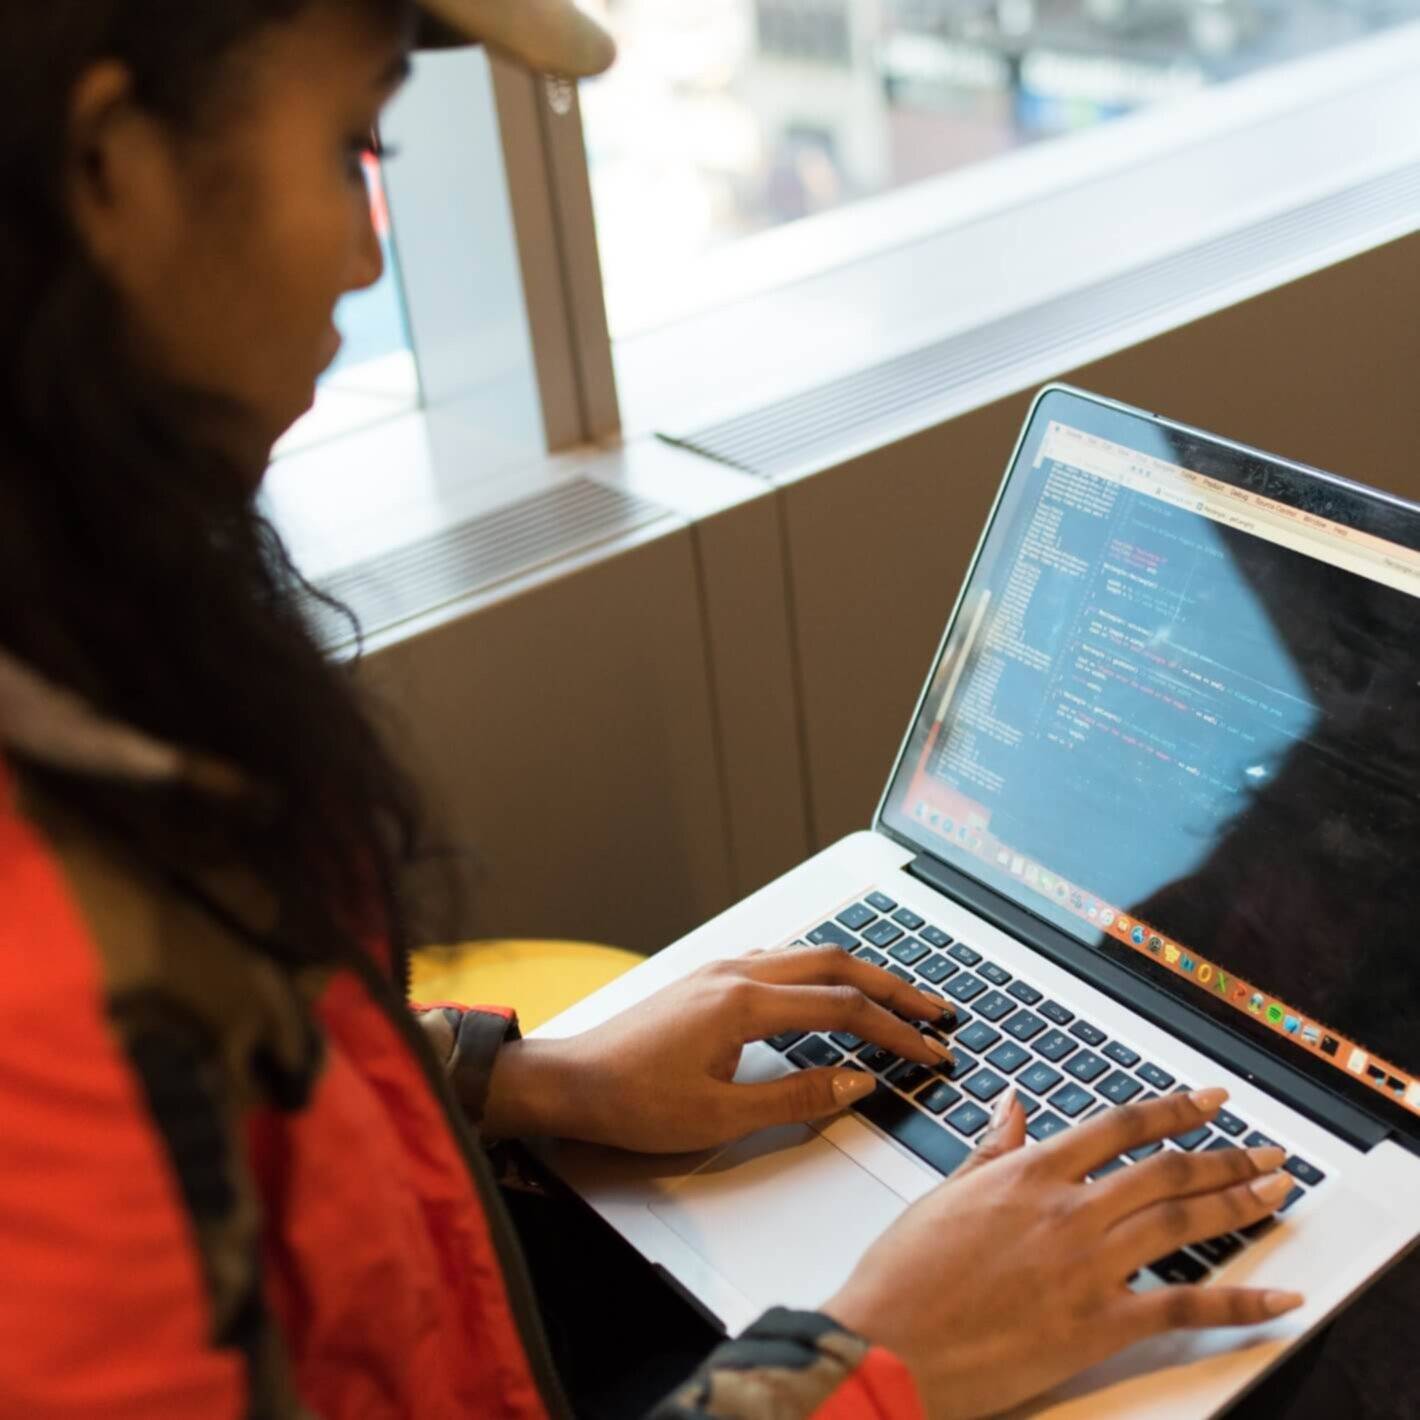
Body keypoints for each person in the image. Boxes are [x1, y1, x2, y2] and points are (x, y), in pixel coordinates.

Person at [0, 4, 1320, 1418]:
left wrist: (522, 1083)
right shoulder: (53, 1019)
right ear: (112, 166)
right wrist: (874, 1363)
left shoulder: (82, 663)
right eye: (350, 145)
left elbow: (250, 1102)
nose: (368, 250)